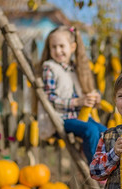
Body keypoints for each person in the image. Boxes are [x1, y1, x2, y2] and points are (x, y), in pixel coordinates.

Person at [39, 25, 107, 163]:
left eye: (61, 46)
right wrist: (77, 102)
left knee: (106, 133)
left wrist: (92, 100)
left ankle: (108, 163)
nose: (58, 51)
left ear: (72, 47)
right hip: (60, 118)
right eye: (54, 47)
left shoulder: (75, 69)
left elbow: (79, 95)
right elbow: (50, 99)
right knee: (90, 130)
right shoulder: (50, 68)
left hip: (78, 116)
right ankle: (96, 168)